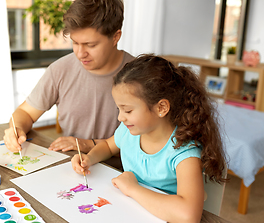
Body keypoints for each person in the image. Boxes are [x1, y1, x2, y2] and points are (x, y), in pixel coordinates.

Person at [71, 54, 227, 222]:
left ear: (161, 107)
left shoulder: (184, 151)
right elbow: (109, 147)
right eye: (119, 109)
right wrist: (89, 158)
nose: (120, 118)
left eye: (128, 110)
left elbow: (189, 216)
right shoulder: (128, 131)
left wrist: (133, 189)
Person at [4, 0, 135, 154]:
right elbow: (25, 112)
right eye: (75, 42)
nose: (80, 53)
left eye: (91, 45)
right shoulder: (60, 70)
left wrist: (88, 144)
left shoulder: (139, 74)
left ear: (115, 37)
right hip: (72, 165)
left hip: (123, 170)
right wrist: (16, 129)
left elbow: (149, 137)